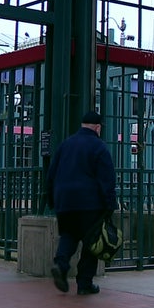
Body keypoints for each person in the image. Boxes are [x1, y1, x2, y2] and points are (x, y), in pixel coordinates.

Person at [45, 111, 117, 295]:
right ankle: (85, 284)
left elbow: (51, 173)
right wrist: (110, 204)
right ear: (98, 127)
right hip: (90, 203)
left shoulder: (65, 144)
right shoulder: (99, 147)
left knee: (68, 235)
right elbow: (107, 179)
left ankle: (61, 266)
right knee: (91, 243)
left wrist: (51, 199)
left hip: (65, 202)